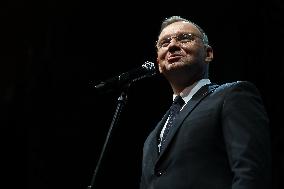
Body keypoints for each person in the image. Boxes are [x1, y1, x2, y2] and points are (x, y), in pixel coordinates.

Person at [140, 16, 271, 189]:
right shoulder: (152, 138)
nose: (172, 45)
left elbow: (251, 173)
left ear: (208, 53)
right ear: (159, 63)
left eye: (184, 38)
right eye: (164, 43)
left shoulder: (232, 96)